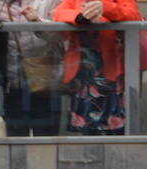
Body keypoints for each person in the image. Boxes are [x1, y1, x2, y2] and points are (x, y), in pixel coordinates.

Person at [52, 0, 139, 134]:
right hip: (83, 73)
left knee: (113, 129)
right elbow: (58, 13)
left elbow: (133, 16)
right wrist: (80, 16)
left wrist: (105, 8)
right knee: (86, 130)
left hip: (110, 70)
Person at [0, 0, 63, 135]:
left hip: (44, 81)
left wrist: (38, 23)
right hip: (11, 82)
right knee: (16, 140)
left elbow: (61, 36)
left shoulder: (49, 2)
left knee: (46, 139)